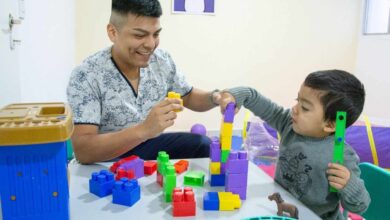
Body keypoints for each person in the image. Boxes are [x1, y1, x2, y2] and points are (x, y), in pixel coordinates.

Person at [67, 0, 221, 164]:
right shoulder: (86, 74)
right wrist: (145, 130)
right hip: (108, 156)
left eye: (156, 34)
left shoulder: (161, 61)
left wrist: (215, 97)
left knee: (203, 145)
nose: (150, 44)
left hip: (147, 144)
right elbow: (83, 151)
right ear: (113, 32)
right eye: (139, 35)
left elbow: (188, 96)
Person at [218, 70, 370, 220]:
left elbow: (360, 206)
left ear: (330, 124)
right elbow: (260, 103)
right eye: (298, 100)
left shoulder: (342, 156)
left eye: (304, 107)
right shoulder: (289, 124)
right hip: (280, 211)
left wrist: (349, 185)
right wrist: (240, 95)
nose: (294, 109)